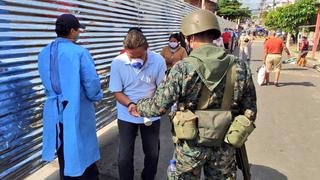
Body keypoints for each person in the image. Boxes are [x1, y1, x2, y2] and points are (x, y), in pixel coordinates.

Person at [131, 10, 257, 179]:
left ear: (190, 37)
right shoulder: (240, 66)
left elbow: (159, 107)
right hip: (225, 145)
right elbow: (250, 110)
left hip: (190, 147)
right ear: (214, 35)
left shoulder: (182, 68)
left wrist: (138, 106)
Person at [38, 14, 103, 179]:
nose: (79, 32)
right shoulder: (79, 52)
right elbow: (91, 82)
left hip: (55, 111)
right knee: (83, 152)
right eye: (78, 29)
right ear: (72, 31)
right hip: (77, 110)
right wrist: (96, 96)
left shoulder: (44, 52)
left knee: (63, 152)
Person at [108, 29, 166, 180]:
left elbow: (161, 89)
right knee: (124, 157)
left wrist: (157, 107)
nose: (135, 60)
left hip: (151, 115)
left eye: (139, 56)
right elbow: (117, 91)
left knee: (153, 154)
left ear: (147, 49)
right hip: (127, 113)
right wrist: (130, 104)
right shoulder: (118, 63)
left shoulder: (158, 61)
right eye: (131, 56)